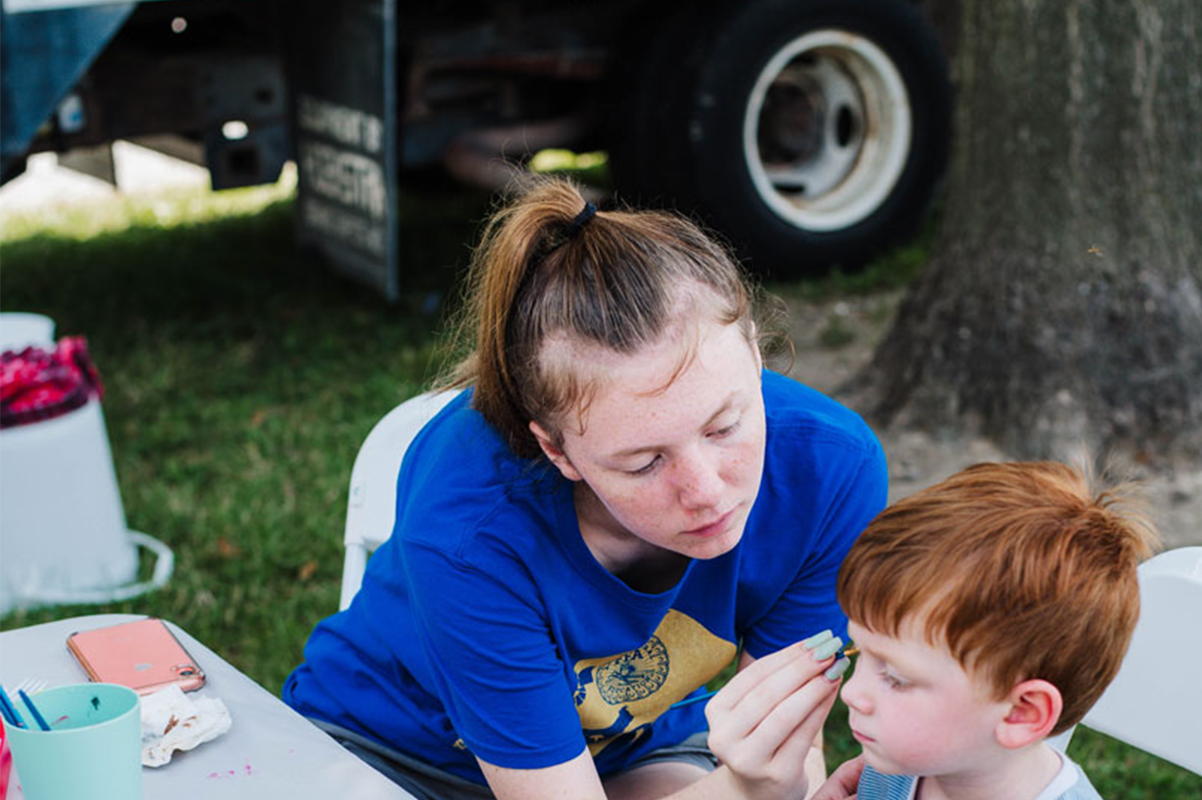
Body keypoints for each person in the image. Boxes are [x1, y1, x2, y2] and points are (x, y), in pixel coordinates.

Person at [283, 177, 888, 800]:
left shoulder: (830, 470)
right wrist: (746, 790)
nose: (707, 492)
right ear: (555, 449)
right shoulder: (468, 529)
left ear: (755, 357)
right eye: (643, 463)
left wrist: (776, 779)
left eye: (725, 425)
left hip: (630, 747)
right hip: (392, 750)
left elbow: (791, 755)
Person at [835, 460, 1159, 800]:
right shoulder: (903, 763)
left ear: (1021, 712)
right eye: (860, 652)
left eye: (895, 678)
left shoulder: (914, 751)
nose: (851, 693)